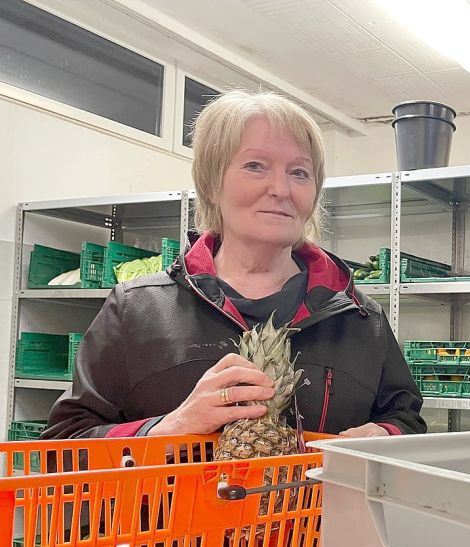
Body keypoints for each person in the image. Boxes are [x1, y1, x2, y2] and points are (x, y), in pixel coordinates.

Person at [44, 90, 425, 440]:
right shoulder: (136, 309)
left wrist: (384, 435)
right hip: (175, 516)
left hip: (318, 516)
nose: (281, 189)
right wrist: (170, 427)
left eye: (299, 172)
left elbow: (406, 418)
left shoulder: (360, 317)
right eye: (255, 166)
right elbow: (66, 440)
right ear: (210, 182)